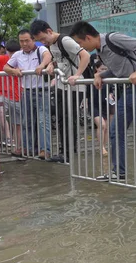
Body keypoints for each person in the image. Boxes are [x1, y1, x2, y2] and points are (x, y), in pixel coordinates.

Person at [69, 21, 136, 187]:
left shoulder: (113, 39)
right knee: (115, 130)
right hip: (128, 89)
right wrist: (101, 75)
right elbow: (119, 70)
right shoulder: (100, 51)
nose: (80, 47)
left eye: (80, 43)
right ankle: (119, 171)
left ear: (88, 37)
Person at [30, 20, 91, 163]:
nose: (43, 42)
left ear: (49, 31)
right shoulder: (52, 44)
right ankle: (65, 151)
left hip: (75, 86)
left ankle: (69, 152)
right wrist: (51, 64)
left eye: (43, 39)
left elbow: (85, 56)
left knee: (69, 118)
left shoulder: (65, 40)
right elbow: (58, 59)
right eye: (40, 41)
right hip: (62, 85)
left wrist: (77, 75)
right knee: (62, 118)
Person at [3, 30, 53, 159]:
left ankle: (45, 149)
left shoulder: (40, 49)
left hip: (42, 91)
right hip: (26, 92)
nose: (24, 43)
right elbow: (6, 68)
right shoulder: (18, 54)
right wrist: (14, 70)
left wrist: (42, 65)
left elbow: (48, 56)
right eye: (21, 41)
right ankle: (28, 148)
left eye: (27, 40)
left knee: (43, 121)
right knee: (26, 121)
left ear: (32, 40)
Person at [0, 41, 22, 152]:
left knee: (17, 122)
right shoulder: (1, 59)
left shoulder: (21, 60)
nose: (12, 55)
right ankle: (7, 137)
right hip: (2, 93)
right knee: (0, 113)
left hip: (18, 95)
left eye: (14, 52)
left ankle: (18, 146)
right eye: (10, 52)